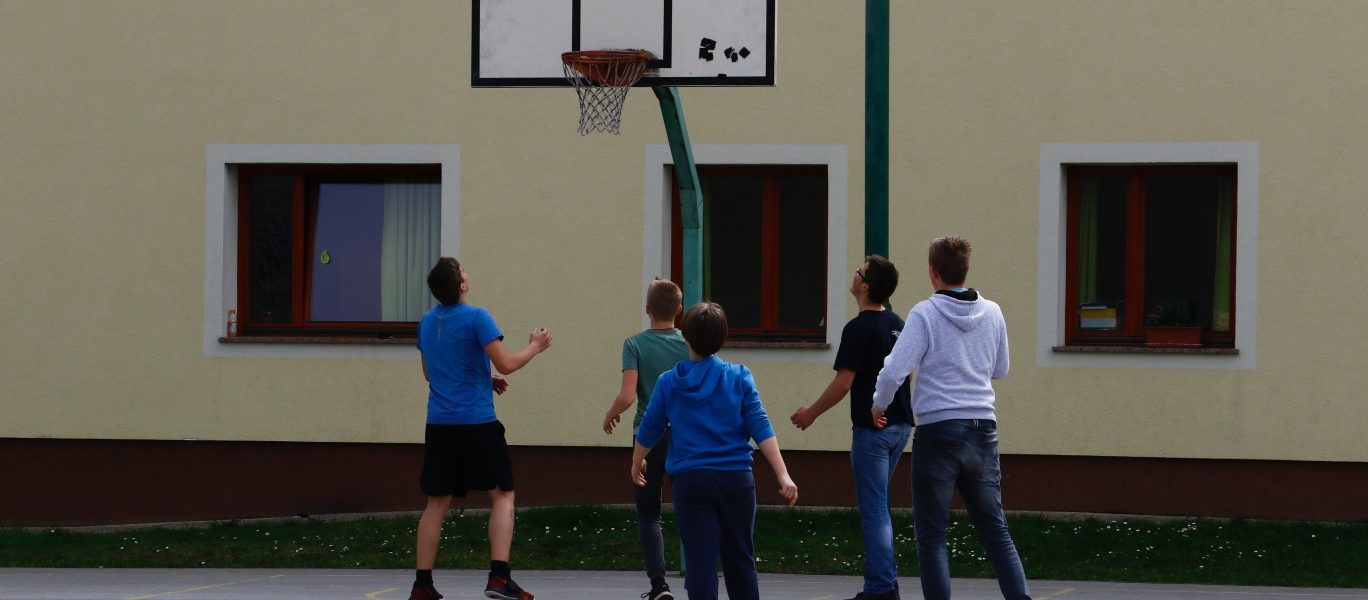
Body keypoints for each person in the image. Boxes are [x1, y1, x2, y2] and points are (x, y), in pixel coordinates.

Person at [871, 237, 1030, 600]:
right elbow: (1001, 369)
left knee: (932, 536)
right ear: (965, 269)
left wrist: (879, 404)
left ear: (933, 272)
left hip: (938, 430)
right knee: (996, 531)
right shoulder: (993, 312)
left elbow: (894, 370)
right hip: (983, 429)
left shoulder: (925, 314)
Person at [632, 302, 799, 600]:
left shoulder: (669, 383)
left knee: (700, 565)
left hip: (691, 482)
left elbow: (650, 427)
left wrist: (637, 461)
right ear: (723, 337)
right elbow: (760, 425)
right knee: (741, 562)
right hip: (737, 480)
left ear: (685, 337)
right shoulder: (739, 376)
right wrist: (783, 474)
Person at [409, 257, 552, 600]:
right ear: (461, 285)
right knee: (502, 495)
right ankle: (499, 578)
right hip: (477, 423)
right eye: (461, 271)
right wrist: (535, 345)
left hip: (439, 424)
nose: (466, 273)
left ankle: (422, 584)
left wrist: (483, 378)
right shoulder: (477, 317)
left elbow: (431, 373)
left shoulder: (427, 322)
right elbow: (507, 363)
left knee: (436, 503)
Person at [790, 255, 913, 600]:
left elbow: (844, 382)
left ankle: (880, 588)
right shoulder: (898, 324)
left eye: (859, 272)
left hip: (873, 432)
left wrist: (811, 412)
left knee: (874, 510)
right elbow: (906, 374)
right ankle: (886, 582)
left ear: (865, 286)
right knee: (879, 505)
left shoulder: (858, 328)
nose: (854, 274)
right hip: (901, 426)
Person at [602, 278, 690, 600]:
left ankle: (659, 585)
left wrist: (611, 414)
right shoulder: (689, 344)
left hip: (648, 436)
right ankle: (699, 577)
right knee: (689, 508)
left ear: (648, 309)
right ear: (679, 310)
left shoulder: (634, 344)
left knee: (649, 513)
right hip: (685, 436)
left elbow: (628, 395)